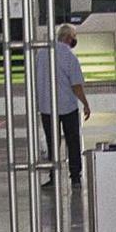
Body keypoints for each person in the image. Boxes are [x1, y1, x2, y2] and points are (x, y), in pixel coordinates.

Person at [33, 24, 91, 188]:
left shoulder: (41, 54)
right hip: (67, 107)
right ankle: (75, 177)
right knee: (72, 141)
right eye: (74, 37)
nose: (75, 40)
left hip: (46, 107)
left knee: (53, 143)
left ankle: (53, 176)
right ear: (68, 38)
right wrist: (85, 104)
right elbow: (76, 85)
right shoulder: (69, 57)